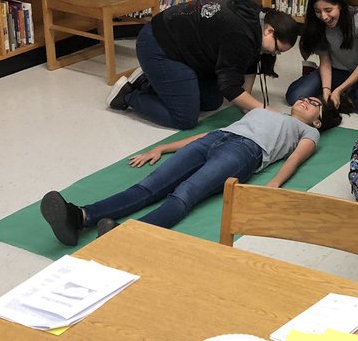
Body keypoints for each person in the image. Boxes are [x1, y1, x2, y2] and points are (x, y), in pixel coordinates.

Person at [40, 98, 339, 244]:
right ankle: (80, 216)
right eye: (307, 97)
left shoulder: (308, 132)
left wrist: (274, 184)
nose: (306, 100)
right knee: (150, 184)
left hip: (245, 152)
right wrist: (163, 148)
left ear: (317, 122)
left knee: (184, 194)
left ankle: (125, 236)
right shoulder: (264, 110)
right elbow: (210, 134)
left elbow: (295, 159)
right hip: (216, 138)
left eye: (314, 105)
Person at [108, 0, 301, 130]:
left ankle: (150, 80)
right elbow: (230, 88)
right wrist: (262, 109)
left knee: (212, 101)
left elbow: (250, 62)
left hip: (186, 49)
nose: (274, 54)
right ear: (269, 31)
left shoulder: (257, 17)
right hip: (159, 45)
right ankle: (127, 95)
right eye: (277, 49)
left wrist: (248, 104)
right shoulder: (240, 35)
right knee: (184, 118)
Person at [285, 0, 358, 115]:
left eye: (328, 10)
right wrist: (326, 89)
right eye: (318, 11)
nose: (324, 17)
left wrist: (339, 90)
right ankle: (342, 91)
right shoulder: (317, 24)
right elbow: (325, 62)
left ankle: (346, 91)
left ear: (340, 5)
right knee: (294, 96)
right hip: (336, 70)